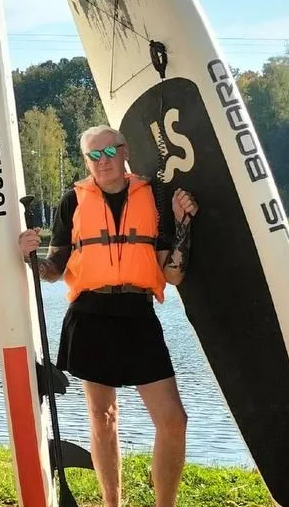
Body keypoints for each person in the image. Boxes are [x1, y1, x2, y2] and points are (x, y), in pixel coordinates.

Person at [16, 125, 197, 507]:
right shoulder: (73, 202)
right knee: (103, 417)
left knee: (173, 421)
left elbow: (173, 274)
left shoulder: (154, 196)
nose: (103, 161)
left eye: (109, 151)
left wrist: (184, 225)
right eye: (93, 155)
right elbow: (55, 268)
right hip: (90, 315)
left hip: (138, 314)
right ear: (86, 161)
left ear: (124, 150)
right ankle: (110, 503)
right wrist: (31, 259)